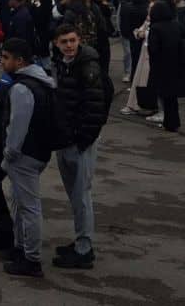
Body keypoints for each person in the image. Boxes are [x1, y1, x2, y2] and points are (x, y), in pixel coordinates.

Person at [0, 38, 59, 277]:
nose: (2, 61)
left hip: (25, 154)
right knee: (21, 204)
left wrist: (9, 152)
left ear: (19, 61)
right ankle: (21, 248)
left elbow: (18, 125)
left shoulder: (22, 88)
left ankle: (31, 258)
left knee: (29, 207)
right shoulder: (41, 80)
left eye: (6, 57)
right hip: (39, 151)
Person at [51, 24, 108, 269]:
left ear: (80, 40)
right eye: (64, 41)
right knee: (75, 194)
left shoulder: (88, 65)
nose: (69, 45)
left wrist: (82, 138)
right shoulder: (63, 63)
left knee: (81, 194)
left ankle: (84, 247)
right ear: (56, 43)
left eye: (72, 40)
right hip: (66, 138)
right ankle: (80, 242)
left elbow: (96, 107)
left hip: (79, 140)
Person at [145, 0, 185, 133]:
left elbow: (153, 49)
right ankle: (173, 122)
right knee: (172, 97)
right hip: (177, 64)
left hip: (161, 66)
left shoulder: (156, 28)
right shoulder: (177, 25)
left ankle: (170, 123)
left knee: (166, 96)